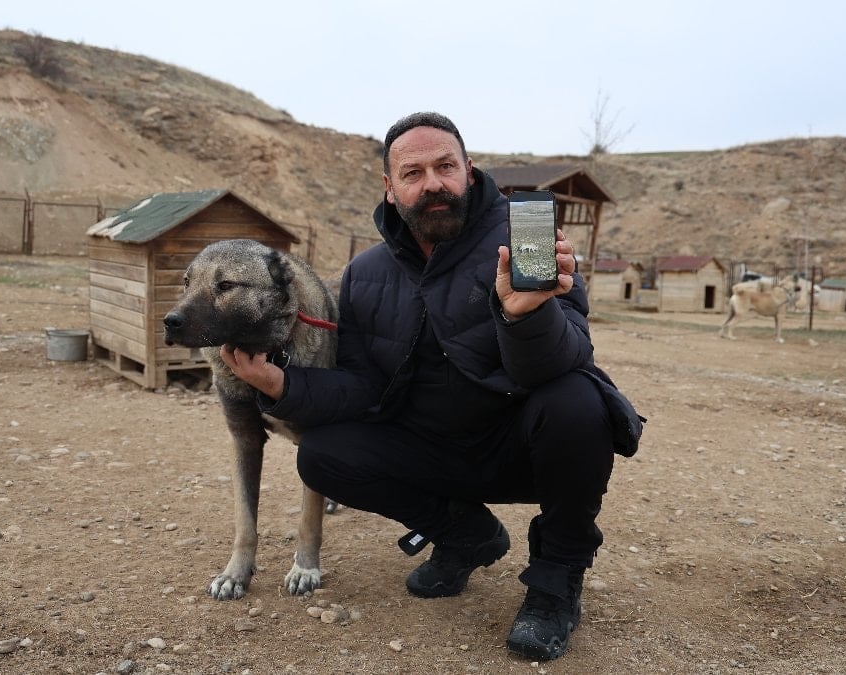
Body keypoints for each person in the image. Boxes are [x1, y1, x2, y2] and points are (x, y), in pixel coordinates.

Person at [220, 111, 643, 661]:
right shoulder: (366, 273)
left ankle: (555, 585)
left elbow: (565, 359)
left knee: (577, 399)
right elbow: (359, 386)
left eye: (445, 166)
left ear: (469, 171)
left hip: (519, 448)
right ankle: (467, 535)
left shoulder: (524, 249)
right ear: (391, 189)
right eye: (413, 173)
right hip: (431, 452)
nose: (433, 183)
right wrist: (281, 383)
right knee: (322, 455)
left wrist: (525, 314)